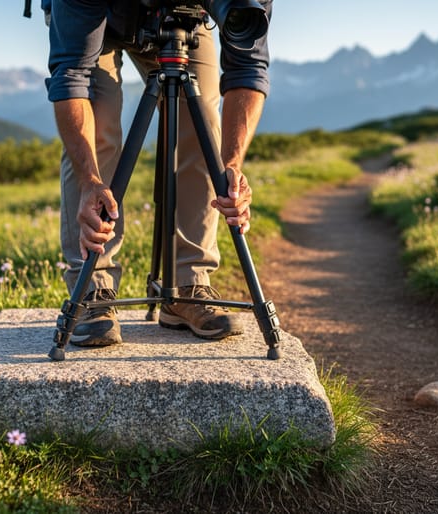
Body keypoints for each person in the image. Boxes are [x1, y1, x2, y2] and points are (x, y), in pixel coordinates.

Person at [44, 0, 271, 346]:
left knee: (202, 121)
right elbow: (72, 76)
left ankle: (188, 284)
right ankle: (93, 288)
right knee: (99, 121)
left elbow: (248, 67)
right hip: (98, 15)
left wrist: (231, 167)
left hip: (186, 20)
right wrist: (90, 179)